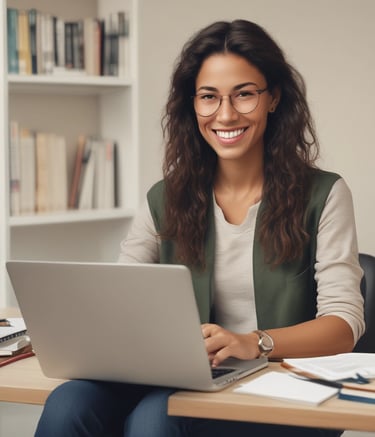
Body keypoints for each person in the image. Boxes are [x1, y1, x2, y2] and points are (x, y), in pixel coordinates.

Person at [35, 19, 364, 437]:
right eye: (209, 97)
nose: (225, 114)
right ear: (193, 105)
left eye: (244, 94)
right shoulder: (165, 198)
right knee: (68, 405)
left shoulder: (325, 194)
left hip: (280, 388)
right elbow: (120, 293)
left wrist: (254, 341)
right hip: (183, 377)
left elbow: (343, 325)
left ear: (274, 98)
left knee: (154, 419)